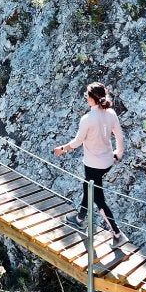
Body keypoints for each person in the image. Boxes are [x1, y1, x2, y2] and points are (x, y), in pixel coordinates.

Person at [52, 83, 125, 254]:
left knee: (98, 199)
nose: (86, 98)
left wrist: (61, 149)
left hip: (93, 165)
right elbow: (120, 137)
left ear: (92, 98)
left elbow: (77, 143)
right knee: (88, 188)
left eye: (87, 96)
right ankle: (79, 218)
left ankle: (117, 233)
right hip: (107, 162)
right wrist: (118, 154)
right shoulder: (111, 113)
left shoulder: (87, 119)